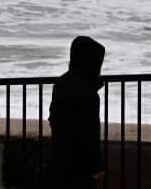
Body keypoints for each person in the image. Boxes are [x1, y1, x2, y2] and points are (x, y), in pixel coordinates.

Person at [49, 36, 106, 188]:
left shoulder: (61, 83)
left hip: (60, 158)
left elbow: (54, 118)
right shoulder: (88, 94)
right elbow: (90, 133)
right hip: (81, 165)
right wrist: (97, 166)